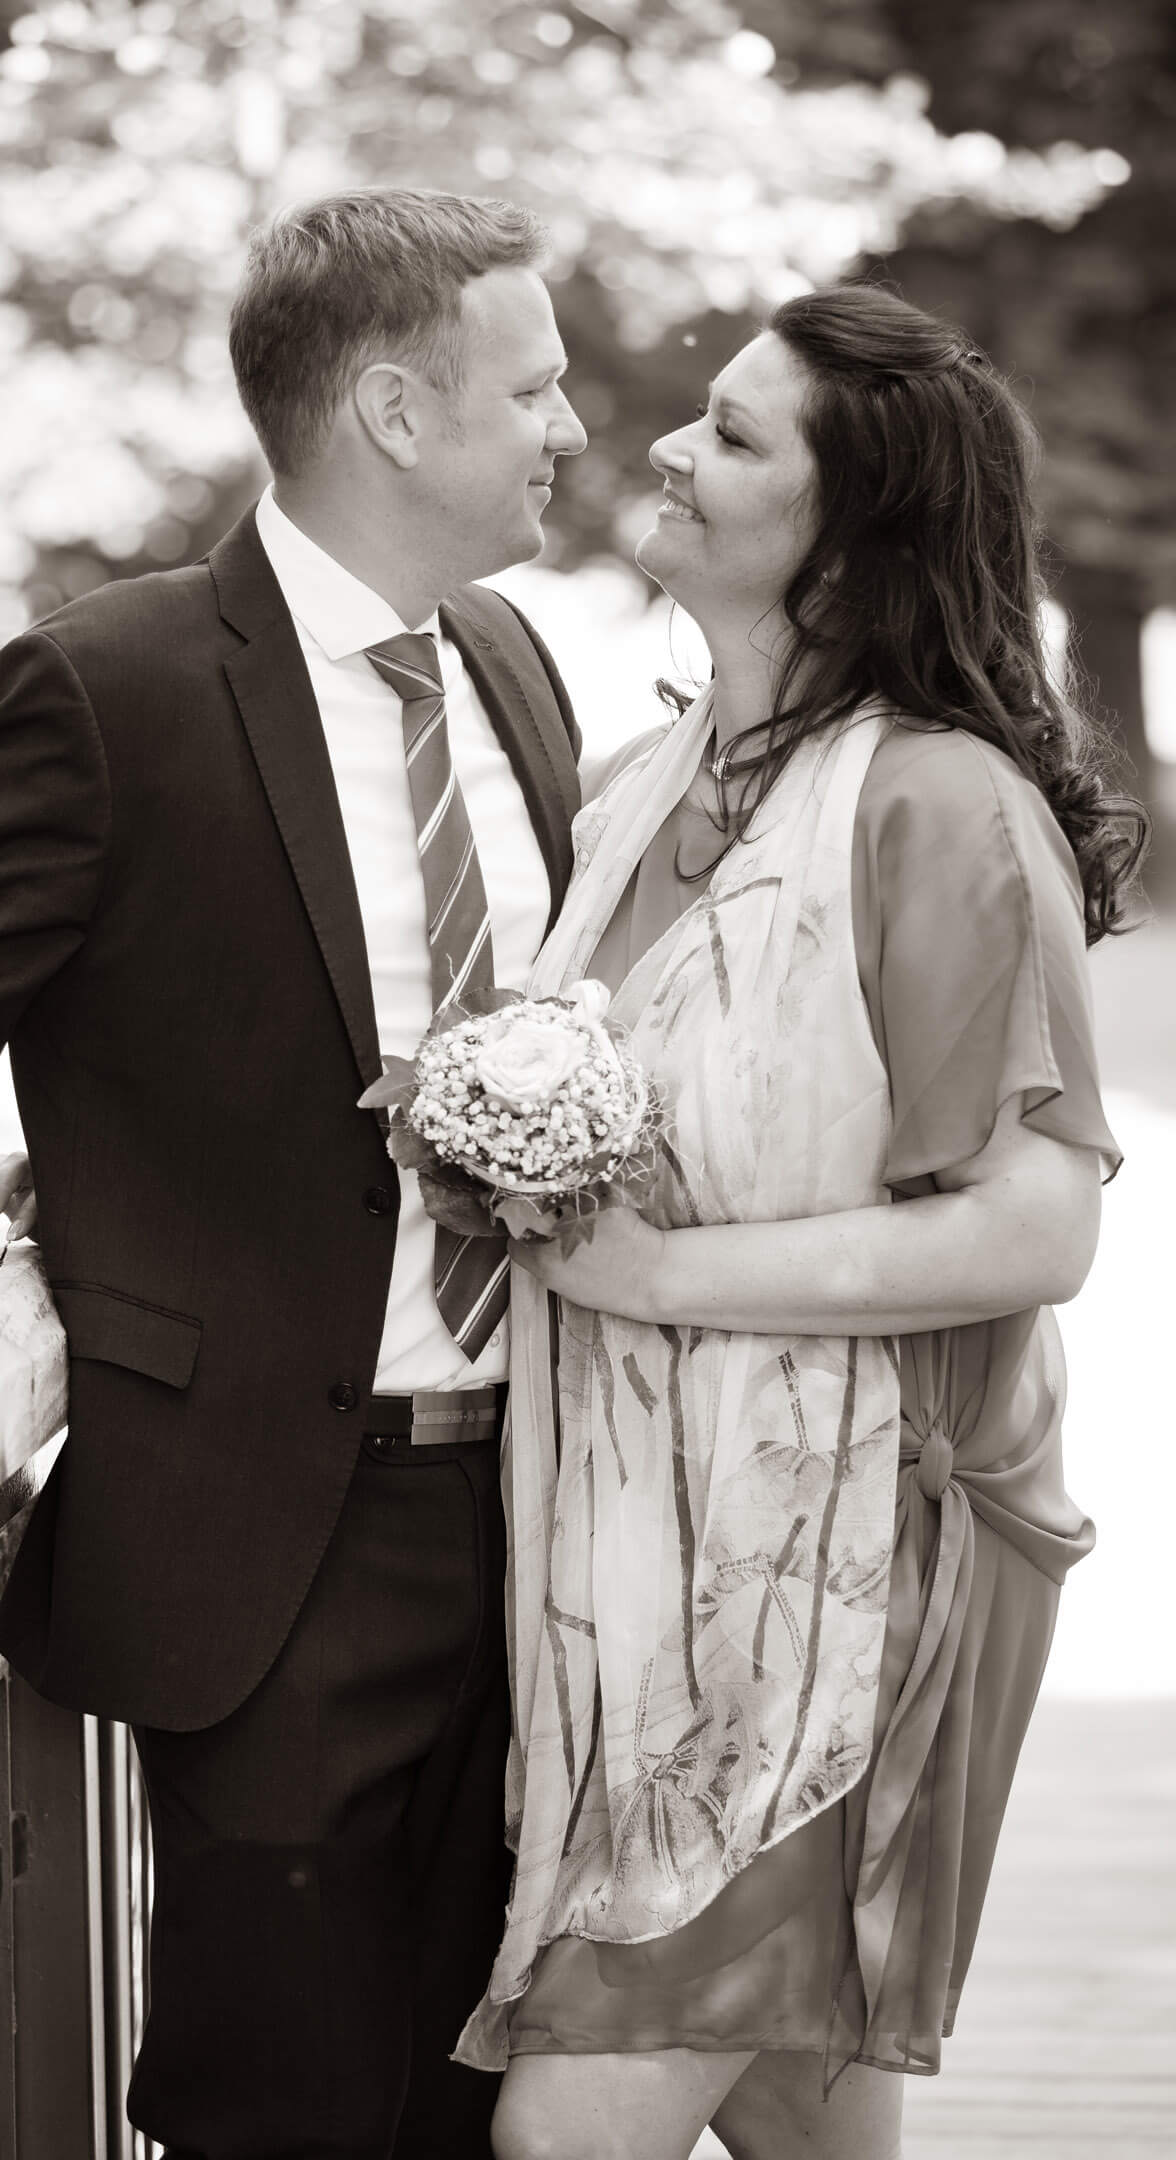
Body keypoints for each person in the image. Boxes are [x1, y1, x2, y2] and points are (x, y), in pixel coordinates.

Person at [0, 188, 587, 2158]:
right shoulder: (109, 684)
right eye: (535, 384)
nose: (575, 425)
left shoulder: (513, 659)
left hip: (563, 1510)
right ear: (397, 412)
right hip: (267, 1546)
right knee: (278, 2095)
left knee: (501, 2084)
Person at [450, 286, 1146, 2160]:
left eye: (739, 437)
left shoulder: (940, 806)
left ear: (852, 552)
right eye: (705, 410)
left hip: (851, 1558)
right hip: (633, 1554)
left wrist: (660, 1276)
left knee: (571, 2126)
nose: (668, 445)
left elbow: (1034, 1228)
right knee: (793, 2113)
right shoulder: (637, 788)